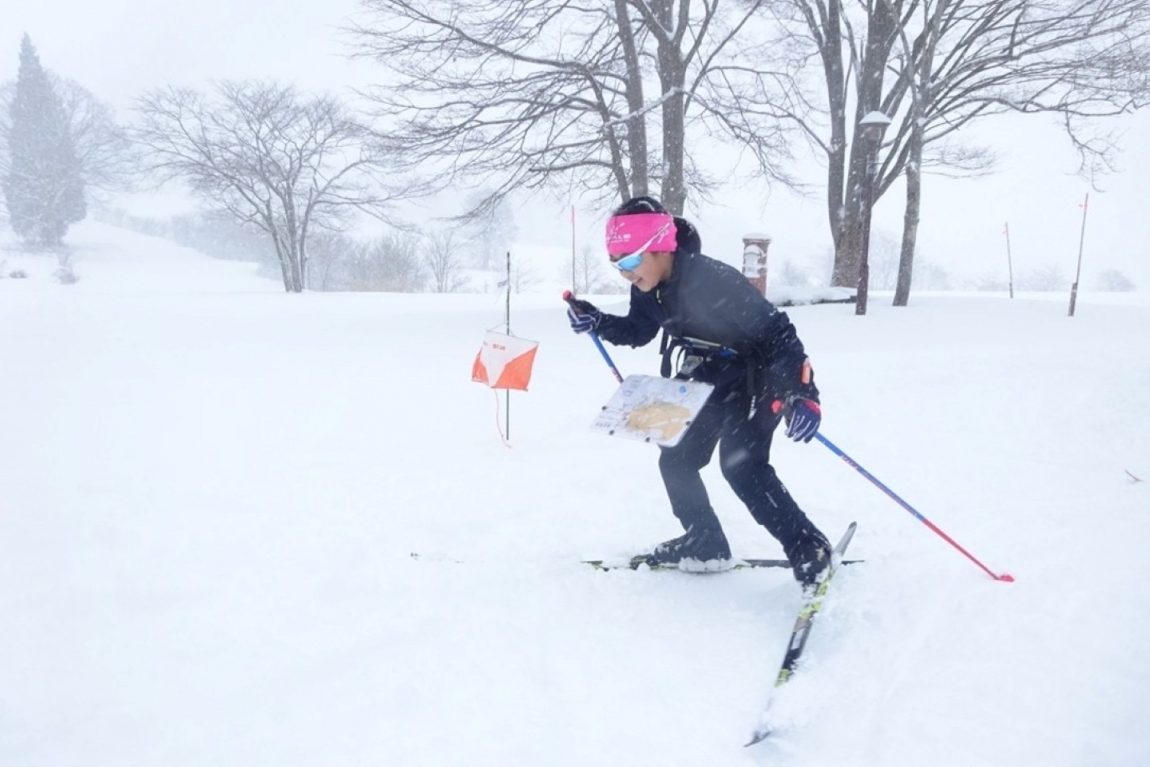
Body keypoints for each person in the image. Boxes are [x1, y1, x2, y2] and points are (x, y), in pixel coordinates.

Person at [567, 196, 832, 587]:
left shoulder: (712, 280)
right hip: (709, 377)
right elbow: (640, 331)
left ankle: (810, 549)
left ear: (660, 247)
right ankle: (705, 541)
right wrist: (598, 320)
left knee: (742, 467)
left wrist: (802, 393)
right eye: (616, 262)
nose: (624, 272)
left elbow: (778, 333)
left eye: (629, 260)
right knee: (676, 459)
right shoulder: (648, 288)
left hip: (756, 377)